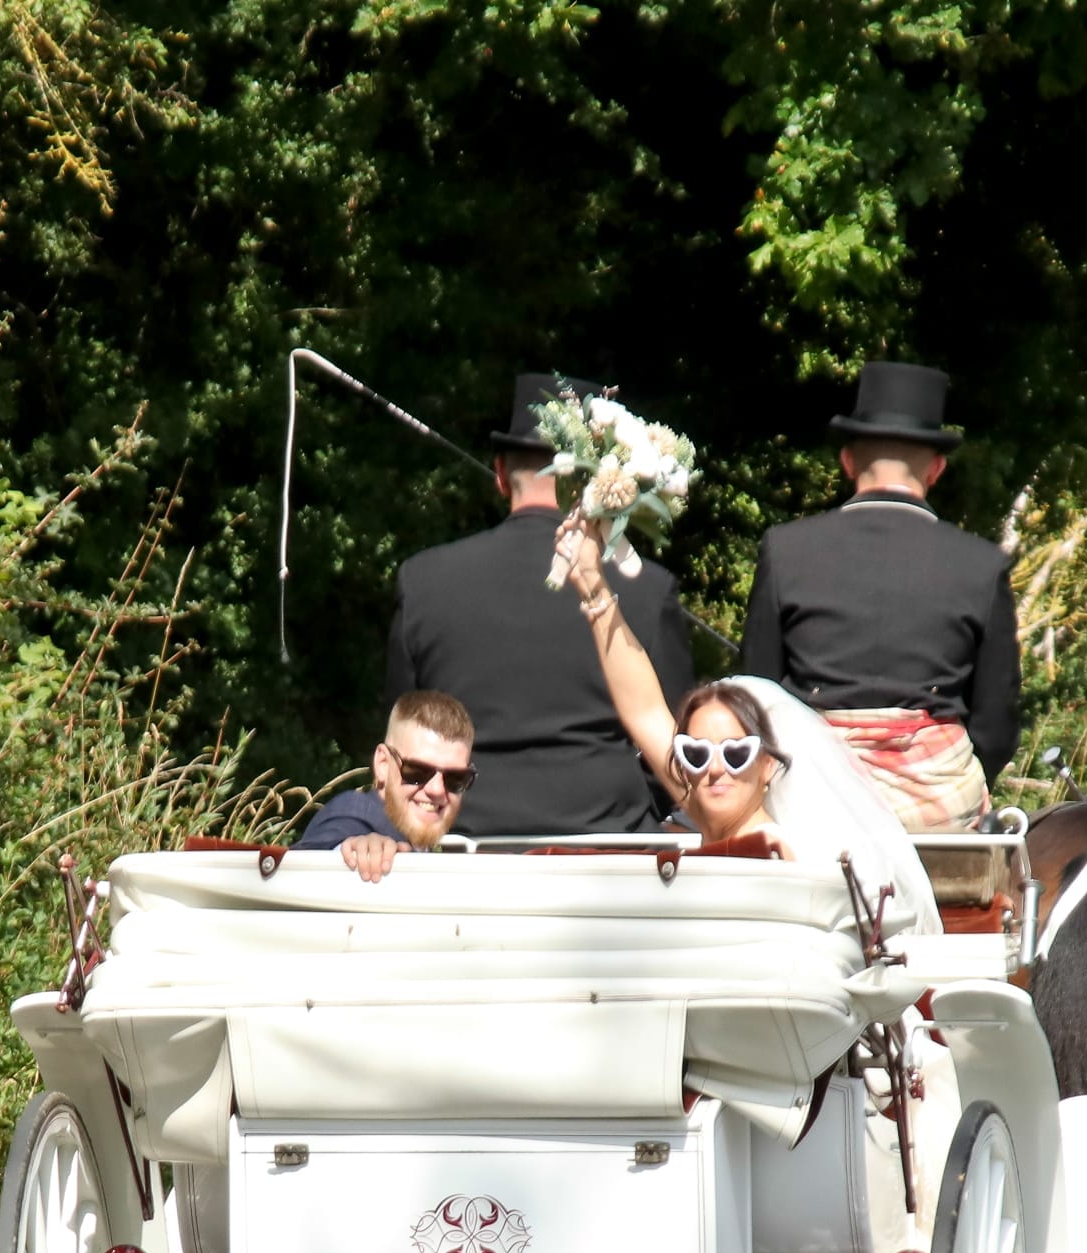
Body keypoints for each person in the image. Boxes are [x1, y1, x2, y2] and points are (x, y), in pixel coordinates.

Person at [553, 513, 938, 932]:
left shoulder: (796, 854)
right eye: (695, 753)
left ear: (768, 765)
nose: (715, 767)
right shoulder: (702, 793)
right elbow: (643, 708)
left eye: (737, 754)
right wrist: (592, 584)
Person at [384, 372, 695, 836]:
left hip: (462, 848)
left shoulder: (423, 581)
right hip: (609, 848)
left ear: (499, 474)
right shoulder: (647, 588)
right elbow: (678, 755)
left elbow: (398, 737)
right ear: (593, 480)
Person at [741, 360, 1020, 831]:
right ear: (936, 469)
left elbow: (753, 693)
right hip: (938, 805)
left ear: (848, 462)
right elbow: (996, 725)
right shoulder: (981, 564)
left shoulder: (786, 548)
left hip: (812, 798)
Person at [294, 689, 475, 882]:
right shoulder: (353, 812)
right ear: (383, 764)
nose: (437, 790)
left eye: (455, 778)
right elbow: (306, 864)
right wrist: (361, 849)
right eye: (417, 772)